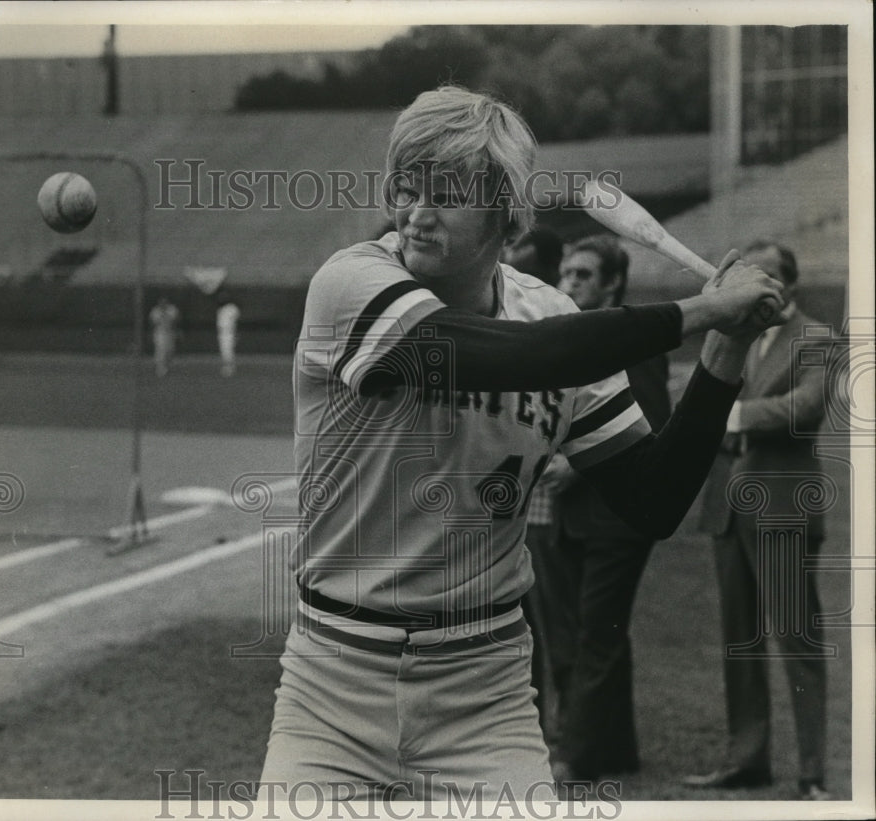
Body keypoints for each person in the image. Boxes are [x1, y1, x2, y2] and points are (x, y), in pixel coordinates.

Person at [259, 86, 784, 804]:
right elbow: (523, 357)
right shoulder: (350, 283)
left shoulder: (551, 314)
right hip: (335, 683)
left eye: (445, 193)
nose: (415, 210)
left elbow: (651, 499)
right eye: (406, 186)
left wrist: (725, 352)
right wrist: (699, 309)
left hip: (486, 691)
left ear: (506, 213)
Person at [684, 241, 831, 800]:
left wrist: (732, 412)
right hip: (727, 505)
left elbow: (805, 408)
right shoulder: (731, 335)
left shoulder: (816, 336)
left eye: (763, 277)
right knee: (738, 639)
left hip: (782, 509)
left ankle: (813, 773)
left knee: (797, 641)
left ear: (788, 287)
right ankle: (747, 760)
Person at [535, 235, 672, 784]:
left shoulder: (632, 339)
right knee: (585, 631)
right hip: (570, 515)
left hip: (614, 517)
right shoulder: (573, 334)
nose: (568, 283)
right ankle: (615, 750)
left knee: (595, 633)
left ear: (613, 282)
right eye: (566, 273)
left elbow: (651, 426)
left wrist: (575, 466)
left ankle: (577, 757)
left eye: (583, 276)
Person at [499, 223, 565, 740]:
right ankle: (536, 719)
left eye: (522, 249)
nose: (512, 255)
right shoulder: (511, 314)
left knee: (540, 623)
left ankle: (545, 720)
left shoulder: (549, 316)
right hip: (518, 503)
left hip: (541, 505)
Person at [149, 297, 180, 378]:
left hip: (170, 332)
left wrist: (176, 331)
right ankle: (160, 369)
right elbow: (153, 323)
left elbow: (176, 321)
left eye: (164, 302)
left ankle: (167, 367)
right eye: (161, 302)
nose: (163, 304)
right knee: (160, 351)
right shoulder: (155, 311)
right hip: (160, 333)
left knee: (170, 350)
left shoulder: (172, 309)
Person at [215, 293, 240, 377]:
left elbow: (236, 321)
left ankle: (229, 368)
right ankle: (229, 367)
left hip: (229, 332)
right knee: (224, 350)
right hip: (222, 332)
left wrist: (236, 333)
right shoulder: (221, 309)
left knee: (228, 350)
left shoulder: (232, 308)